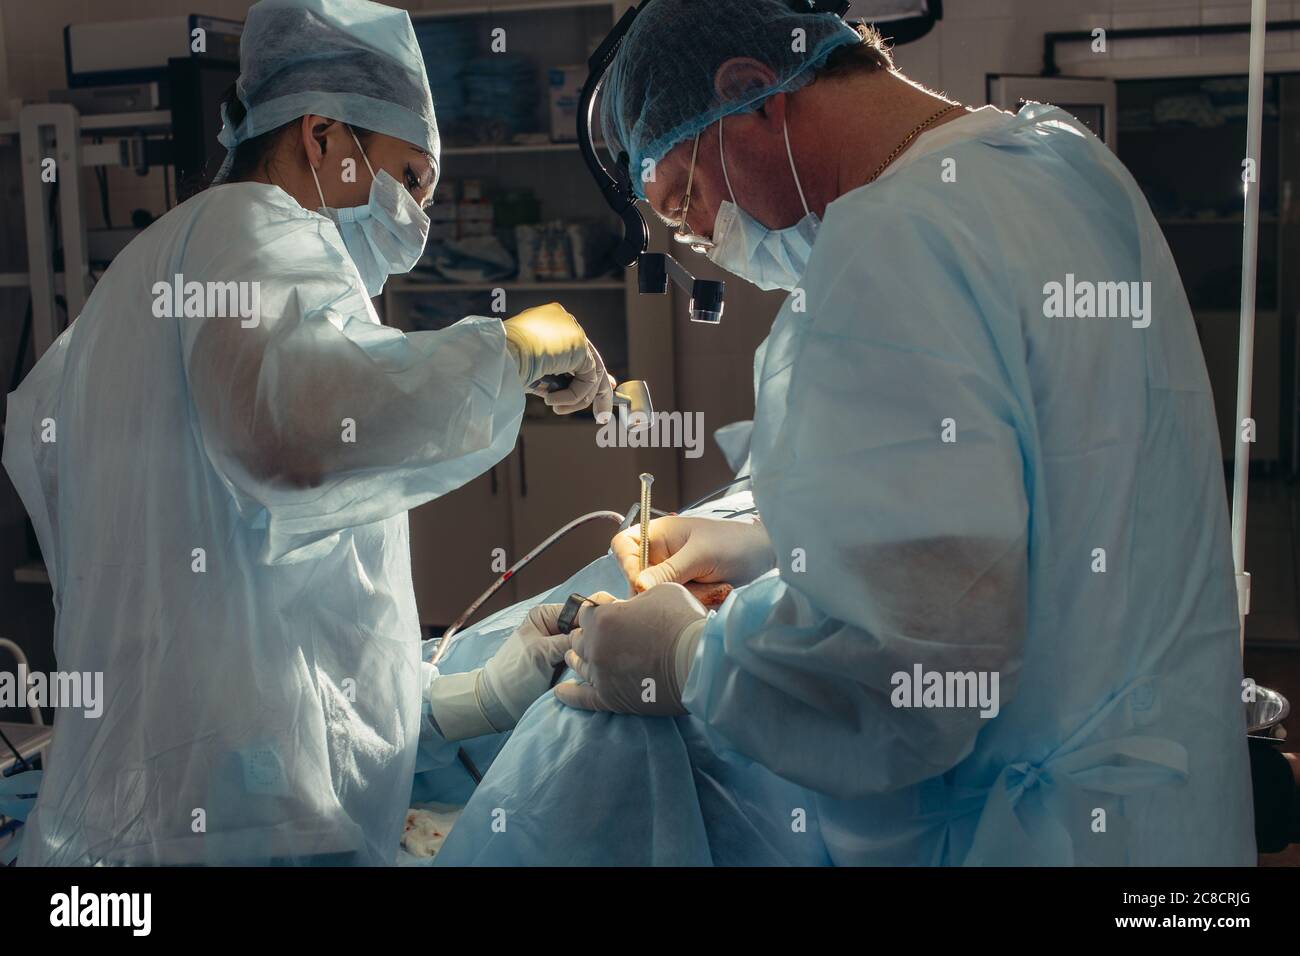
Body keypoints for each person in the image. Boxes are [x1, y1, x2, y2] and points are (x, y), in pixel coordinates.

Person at [553, 0, 1255, 865]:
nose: (702, 238)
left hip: (1021, 836)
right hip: (1166, 818)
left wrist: (690, 657)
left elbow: (900, 682)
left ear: (752, 91)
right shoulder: (1064, 165)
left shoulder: (893, 246)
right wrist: (778, 550)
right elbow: (1053, 501)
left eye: (687, 197)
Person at [3, 0, 603, 865]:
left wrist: (465, 697)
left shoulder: (153, 265)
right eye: (411, 177)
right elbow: (295, 433)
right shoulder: (254, 231)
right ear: (322, 138)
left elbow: (258, 593)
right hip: (242, 825)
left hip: (147, 809)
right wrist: (511, 349)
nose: (417, 218)